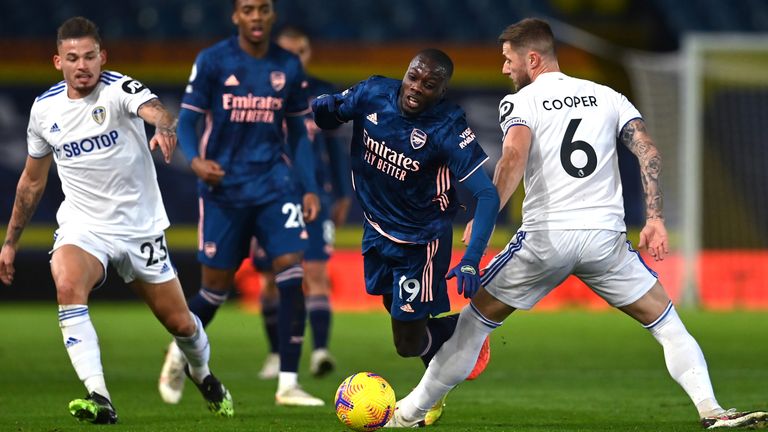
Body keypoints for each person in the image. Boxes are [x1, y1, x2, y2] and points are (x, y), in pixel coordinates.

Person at [385, 18, 768, 430]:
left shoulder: (522, 102)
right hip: (605, 240)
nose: (504, 69)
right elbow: (648, 151)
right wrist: (655, 218)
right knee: (668, 324)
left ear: (531, 58)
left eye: (508, 59)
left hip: (545, 238)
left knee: (471, 326)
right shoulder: (608, 96)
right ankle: (712, 410)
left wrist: (486, 213)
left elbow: (513, 156)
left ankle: (407, 415)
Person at [0, 16, 234, 424]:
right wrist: (10, 241)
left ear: (102, 57)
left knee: (181, 324)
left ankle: (202, 373)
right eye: (73, 58)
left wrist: (163, 127)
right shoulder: (44, 110)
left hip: (139, 229)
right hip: (83, 227)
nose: (82, 65)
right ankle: (99, 396)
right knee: (68, 283)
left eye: (90, 56)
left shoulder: (120, 88)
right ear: (58, 61)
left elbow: (156, 110)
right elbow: (31, 183)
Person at [312, 48, 500, 424]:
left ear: (442, 90)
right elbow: (328, 115)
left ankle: (462, 334)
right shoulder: (374, 93)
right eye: (414, 76)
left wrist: (469, 259)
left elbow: (487, 194)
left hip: (420, 244)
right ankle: (445, 357)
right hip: (375, 229)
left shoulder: (447, 127)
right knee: (396, 312)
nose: (416, 88)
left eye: (429, 84)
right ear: (406, 72)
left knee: (406, 344)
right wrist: (320, 108)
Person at [157, 0, 325, 407]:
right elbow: (191, 119)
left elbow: (300, 133)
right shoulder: (213, 60)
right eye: (247, 9)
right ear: (236, 16)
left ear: (271, 15)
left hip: (275, 185)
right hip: (225, 190)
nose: (255, 16)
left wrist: (308, 187)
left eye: (263, 9)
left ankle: (288, 382)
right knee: (214, 291)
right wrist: (195, 160)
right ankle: (180, 350)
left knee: (291, 271)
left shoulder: (288, 65)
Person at [251, 25, 353, 380]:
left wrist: (342, 192)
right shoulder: (257, 91)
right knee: (269, 280)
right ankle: (276, 354)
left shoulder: (323, 95)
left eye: (302, 52)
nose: (296, 59)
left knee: (316, 273)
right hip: (267, 197)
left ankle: (321, 351)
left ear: (309, 54)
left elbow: (334, 147)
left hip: (314, 197)